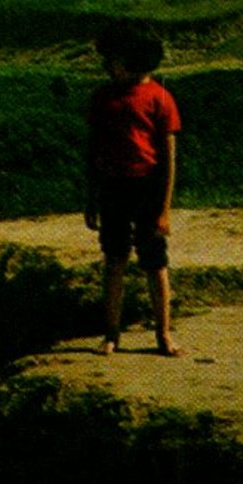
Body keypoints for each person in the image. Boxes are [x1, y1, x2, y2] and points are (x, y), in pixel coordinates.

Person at [84, 24, 182, 357]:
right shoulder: (102, 98)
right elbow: (93, 151)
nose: (106, 65)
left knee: (155, 263)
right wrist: (91, 196)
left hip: (148, 187)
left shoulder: (160, 99)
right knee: (114, 260)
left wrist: (164, 209)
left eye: (111, 58)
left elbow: (169, 159)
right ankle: (111, 334)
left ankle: (164, 334)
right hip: (113, 187)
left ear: (130, 60)